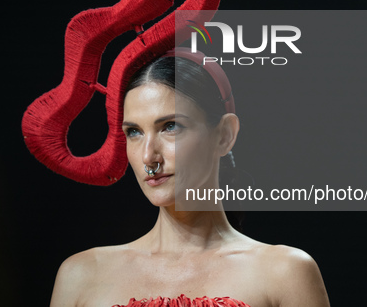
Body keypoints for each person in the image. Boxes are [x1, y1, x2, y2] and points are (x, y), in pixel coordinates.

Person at [48, 54, 330, 307]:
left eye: (170, 127)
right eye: (134, 132)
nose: (149, 157)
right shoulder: (82, 274)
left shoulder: (283, 273)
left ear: (224, 135)